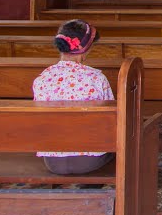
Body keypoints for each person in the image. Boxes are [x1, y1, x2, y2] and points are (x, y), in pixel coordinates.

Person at [32, 19, 115, 175]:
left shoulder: (42, 79)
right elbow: (111, 120)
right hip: (89, 160)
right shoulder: (96, 78)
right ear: (87, 48)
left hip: (52, 161)